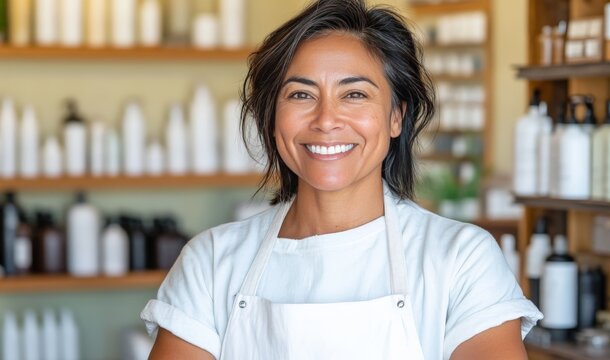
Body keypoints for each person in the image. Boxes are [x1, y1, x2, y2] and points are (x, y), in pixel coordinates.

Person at [140, 0, 543, 359]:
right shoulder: (211, 262)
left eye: (355, 95)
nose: (326, 120)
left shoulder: (460, 260)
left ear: (396, 117)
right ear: (271, 117)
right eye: (301, 95)